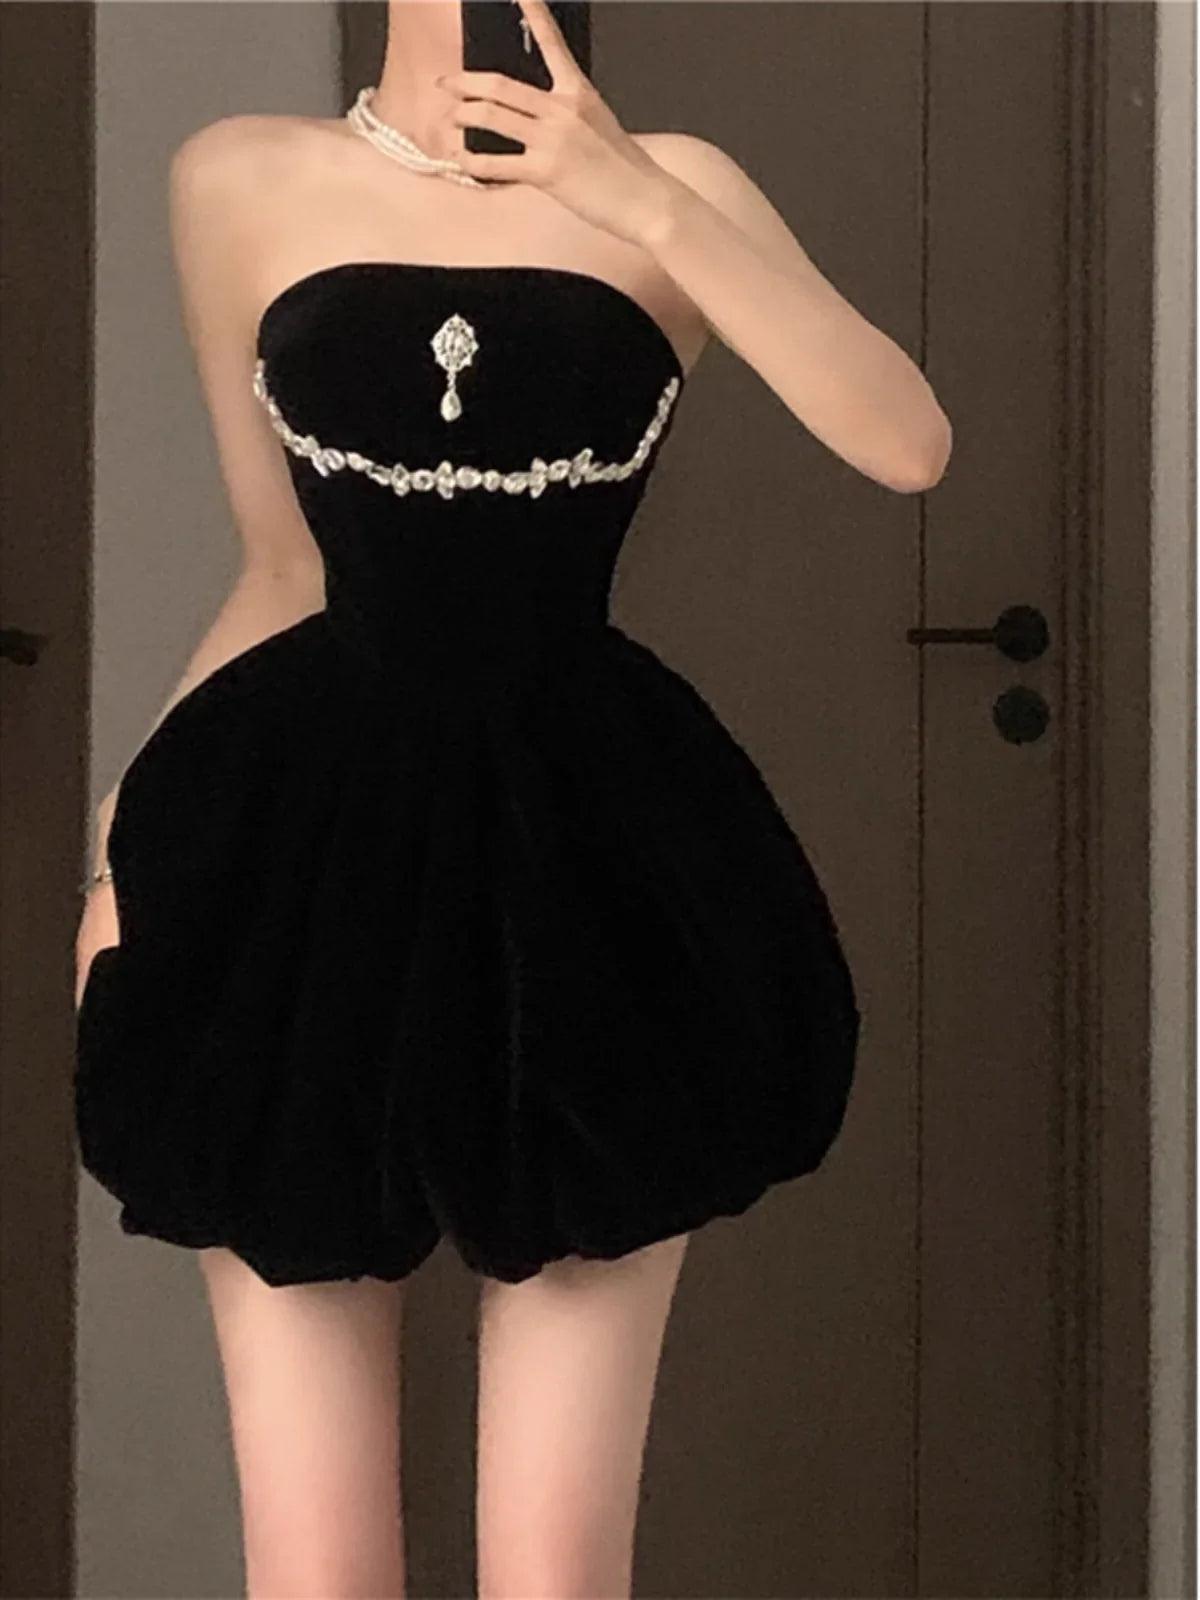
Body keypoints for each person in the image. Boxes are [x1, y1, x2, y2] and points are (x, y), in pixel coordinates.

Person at [73, 1, 952, 1593]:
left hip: (586, 856)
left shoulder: (674, 182)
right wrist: (119, 866)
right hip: (298, 858)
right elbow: (279, 567)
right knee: (313, 1564)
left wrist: (638, 201)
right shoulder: (236, 179)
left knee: (556, 1567)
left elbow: (908, 444)